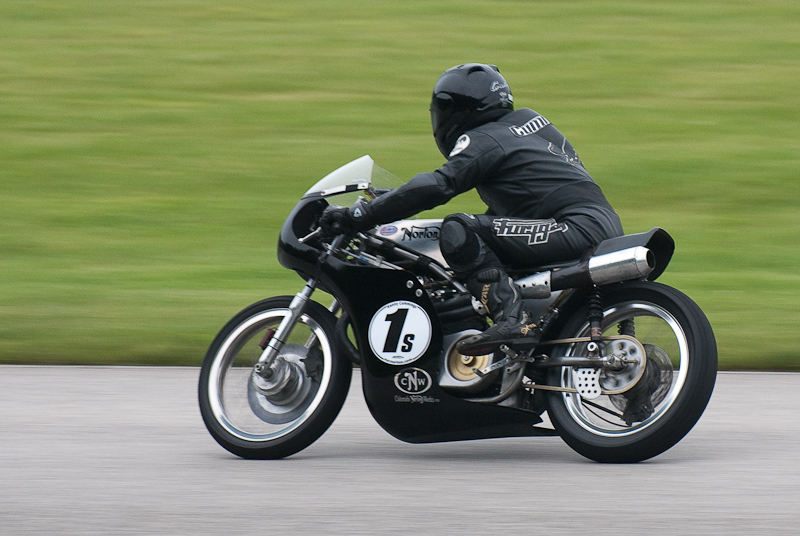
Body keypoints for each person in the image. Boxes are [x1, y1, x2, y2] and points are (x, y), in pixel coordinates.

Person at [320, 63, 623, 356]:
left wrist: (362, 214)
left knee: (458, 228)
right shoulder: (527, 123)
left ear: (453, 110)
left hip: (572, 226)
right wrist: (395, 200)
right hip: (600, 224)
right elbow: (519, 205)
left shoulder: (483, 138)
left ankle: (513, 320)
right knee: (476, 239)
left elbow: (439, 185)